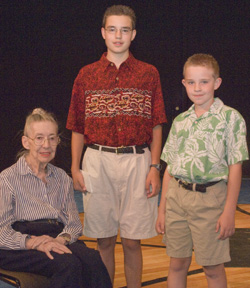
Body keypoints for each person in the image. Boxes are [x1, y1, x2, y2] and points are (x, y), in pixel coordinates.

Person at [66, 5, 167, 287]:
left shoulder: (149, 74)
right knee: (105, 240)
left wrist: (154, 167)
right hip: (98, 161)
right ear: (103, 33)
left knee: (133, 241)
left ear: (133, 34)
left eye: (124, 29)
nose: (118, 35)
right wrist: (75, 167)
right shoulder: (86, 75)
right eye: (112, 29)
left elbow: (157, 124)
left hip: (138, 161)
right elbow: (76, 125)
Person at [156, 53, 249, 287]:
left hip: (210, 201)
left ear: (217, 83)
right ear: (184, 84)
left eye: (204, 82)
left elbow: (235, 167)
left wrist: (229, 211)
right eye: (191, 82)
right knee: (177, 264)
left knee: (212, 268)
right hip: (176, 198)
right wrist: (162, 209)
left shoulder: (231, 119)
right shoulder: (180, 122)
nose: (197, 88)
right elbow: (169, 168)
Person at [0, 108, 112, 288]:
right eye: (39, 138)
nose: (46, 145)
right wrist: (33, 242)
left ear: (58, 141)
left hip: (55, 235)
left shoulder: (62, 178)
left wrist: (60, 240)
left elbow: (73, 223)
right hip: (20, 242)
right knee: (68, 265)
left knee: (93, 260)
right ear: (26, 142)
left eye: (52, 138)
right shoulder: (8, 178)